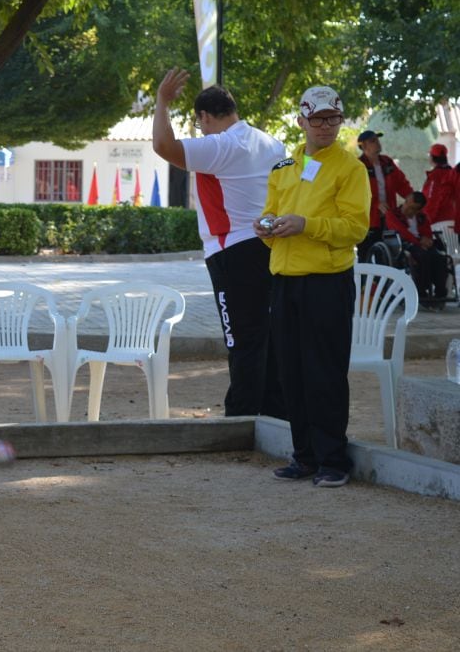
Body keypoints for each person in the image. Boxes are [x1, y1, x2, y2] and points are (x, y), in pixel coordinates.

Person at [151, 68, 285, 419]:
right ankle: (275, 414)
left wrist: (163, 101)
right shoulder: (270, 142)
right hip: (269, 247)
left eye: (200, 124)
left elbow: (163, 147)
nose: (202, 131)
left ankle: (241, 416)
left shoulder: (222, 145)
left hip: (233, 251)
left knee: (240, 339)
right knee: (266, 336)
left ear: (205, 117)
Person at [254, 85, 369, 488]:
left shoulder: (350, 168)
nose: (326, 126)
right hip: (285, 279)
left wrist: (307, 225)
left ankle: (333, 460)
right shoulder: (284, 167)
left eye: (333, 118)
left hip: (327, 281)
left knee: (325, 372)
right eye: (317, 118)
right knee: (291, 372)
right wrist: (266, 226)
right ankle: (303, 456)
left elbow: (356, 227)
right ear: (301, 120)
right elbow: (271, 214)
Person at [355, 130, 412, 261]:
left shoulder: (387, 162)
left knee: (390, 258)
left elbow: (402, 183)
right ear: (363, 146)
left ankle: (388, 281)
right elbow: (356, 194)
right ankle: (366, 282)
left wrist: (411, 198)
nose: (378, 143)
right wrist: (376, 205)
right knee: (366, 257)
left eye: (377, 139)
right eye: (373, 141)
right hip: (368, 221)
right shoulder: (358, 166)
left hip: (388, 219)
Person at [384, 191, 449, 306]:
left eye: (414, 209)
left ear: (419, 210)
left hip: (421, 244)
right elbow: (401, 232)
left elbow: (427, 232)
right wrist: (419, 241)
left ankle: (440, 293)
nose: (409, 210)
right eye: (408, 206)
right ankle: (421, 291)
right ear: (406, 201)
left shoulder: (421, 217)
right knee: (422, 256)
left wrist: (427, 241)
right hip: (404, 244)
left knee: (440, 257)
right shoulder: (393, 214)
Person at [423, 143, 458, 225]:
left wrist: (426, 222)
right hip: (454, 220)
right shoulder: (454, 173)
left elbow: (431, 199)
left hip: (438, 222)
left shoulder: (435, 176)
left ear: (431, 157)